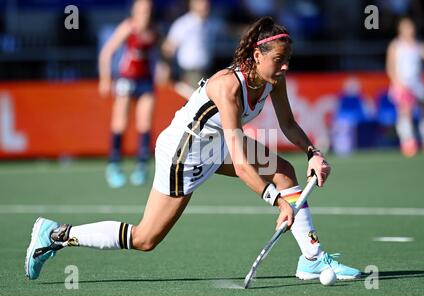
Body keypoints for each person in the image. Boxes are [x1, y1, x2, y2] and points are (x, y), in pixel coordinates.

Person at [25, 17, 361, 281]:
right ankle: (55, 235)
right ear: (257, 55)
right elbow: (243, 165)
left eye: (288, 59)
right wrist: (276, 202)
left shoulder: (274, 77)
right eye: (279, 59)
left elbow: (288, 123)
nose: (285, 65)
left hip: (217, 146)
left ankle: (312, 260)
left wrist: (313, 152)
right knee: (145, 238)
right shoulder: (227, 87)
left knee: (284, 172)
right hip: (183, 155)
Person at [98, 0, 158, 188]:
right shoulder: (127, 27)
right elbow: (106, 52)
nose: (145, 13)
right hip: (126, 79)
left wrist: (165, 68)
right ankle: (114, 165)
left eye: (147, 9)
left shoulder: (154, 31)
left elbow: (161, 54)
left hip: (146, 81)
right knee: (120, 122)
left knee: (145, 123)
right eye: (141, 10)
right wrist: (106, 78)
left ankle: (142, 166)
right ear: (135, 11)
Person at [386, 17, 424, 157]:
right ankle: (408, 142)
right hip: (402, 83)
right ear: (400, 30)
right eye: (406, 28)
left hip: (417, 83)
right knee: (405, 111)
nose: (409, 30)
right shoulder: (396, 45)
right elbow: (391, 66)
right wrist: (398, 83)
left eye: (411, 27)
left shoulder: (419, 45)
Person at [161, 0, 221, 98]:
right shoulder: (183, 24)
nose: (205, 4)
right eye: (201, 2)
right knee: (202, 100)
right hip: (190, 74)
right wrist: (167, 67)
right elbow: (168, 48)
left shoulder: (211, 23)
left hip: (207, 72)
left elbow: (229, 30)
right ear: (192, 4)